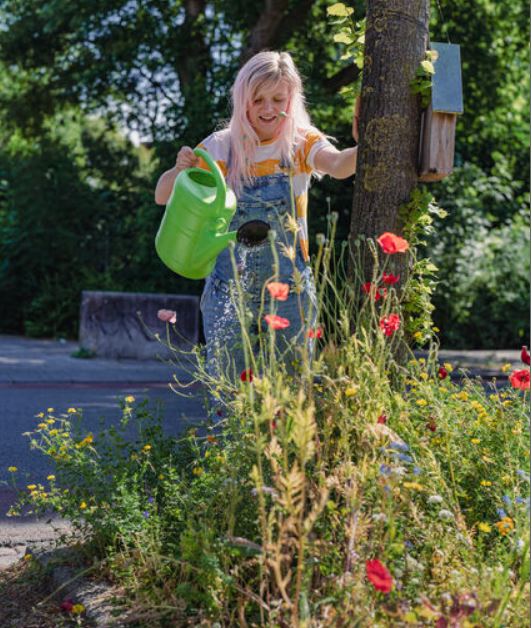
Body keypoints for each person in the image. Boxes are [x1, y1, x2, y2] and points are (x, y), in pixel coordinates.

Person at [155, 51, 358, 396]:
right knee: (229, 398)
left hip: (290, 292)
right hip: (227, 290)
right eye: (257, 100)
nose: (267, 109)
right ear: (242, 101)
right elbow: (163, 195)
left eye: (277, 99)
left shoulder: (300, 143)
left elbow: (338, 165)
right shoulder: (220, 148)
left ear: (291, 100)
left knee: (290, 398)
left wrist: (366, 143)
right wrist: (179, 171)